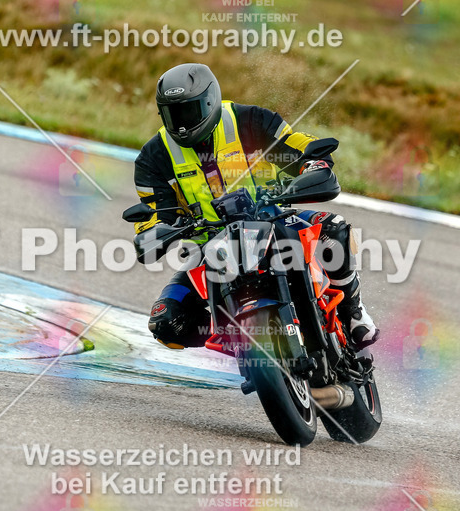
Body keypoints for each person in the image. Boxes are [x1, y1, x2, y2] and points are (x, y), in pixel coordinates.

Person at [132, 62, 378, 364]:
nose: (181, 123)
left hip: (273, 221)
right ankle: (239, 340)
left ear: (209, 101)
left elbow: (295, 145)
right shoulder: (153, 157)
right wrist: (153, 232)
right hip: (209, 249)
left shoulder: (248, 120)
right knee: (166, 321)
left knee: (335, 230)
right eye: (173, 114)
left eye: (189, 111)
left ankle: (353, 310)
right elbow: (154, 213)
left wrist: (311, 163)